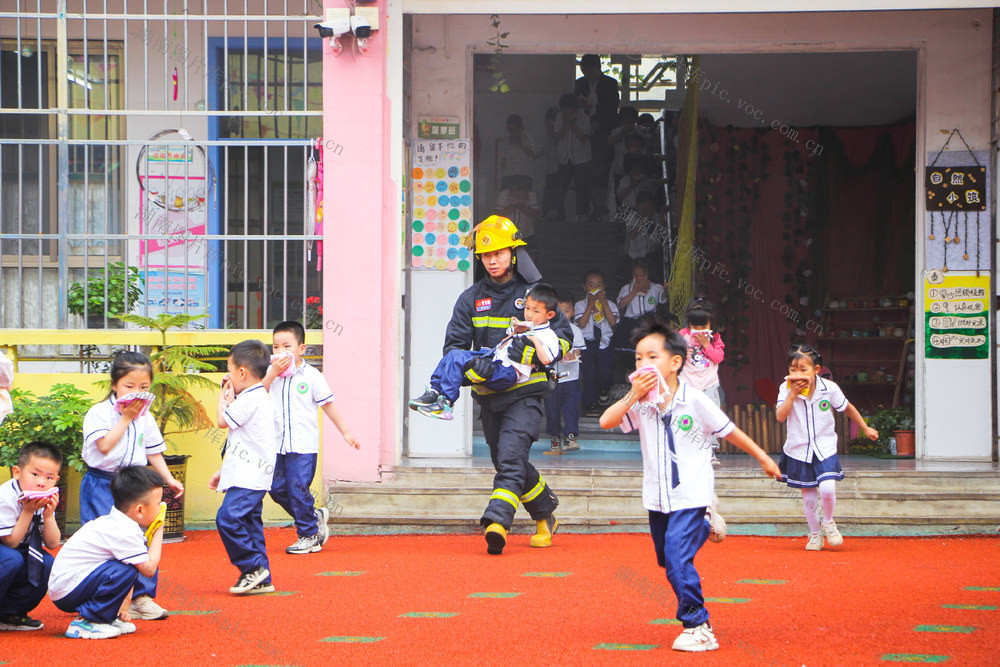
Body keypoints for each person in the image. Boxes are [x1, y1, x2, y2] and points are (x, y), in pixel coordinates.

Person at [599, 318, 780, 652]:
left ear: (675, 362)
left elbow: (729, 431)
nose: (643, 364)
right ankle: (708, 521)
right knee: (668, 562)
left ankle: (699, 625)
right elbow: (606, 421)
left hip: (691, 492)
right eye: (638, 358)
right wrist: (633, 395)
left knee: (678, 558)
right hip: (657, 496)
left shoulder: (694, 400)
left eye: (652, 357)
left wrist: (764, 458)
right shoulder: (641, 402)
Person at [437, 215, 571, 555]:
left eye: (498, 252)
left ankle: (497, 521)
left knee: (510, 460)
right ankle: (546, 514)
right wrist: (473, 367)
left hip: (526, 396)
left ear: (513, 253)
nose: (492, 260)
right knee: (507, 461)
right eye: (485, 255)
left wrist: (538, 352)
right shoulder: (469, 299)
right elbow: (453, 348)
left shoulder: (533, 295)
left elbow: (566, 336)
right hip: (490, 396)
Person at [80, 350, 182, 620]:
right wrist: (126, 418)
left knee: (142, 535)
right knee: (105, 540)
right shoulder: (99, 413)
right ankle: (100, 599)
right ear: (114, 384)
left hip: (136, 484)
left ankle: (142, 597)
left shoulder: (145, 417)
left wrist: (169, 479)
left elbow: (153, 451)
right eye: (129, 386)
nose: (136, 393)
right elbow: (103, 446)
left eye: (144, 387)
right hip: (102, 483)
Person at [262, 321, 360, 556]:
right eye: (275, 347)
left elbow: (328, 404)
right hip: (276, 445)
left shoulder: (312, 376)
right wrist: (272, 373)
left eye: (287, 346)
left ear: (301, 349)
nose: (280, 352)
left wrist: (345, 432)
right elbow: (257, 392)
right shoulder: (270, 373)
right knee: (276, 489)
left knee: (297, 488)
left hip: (303, 446)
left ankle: (309, 535)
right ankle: (312, 516)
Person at [775, 343, 878, 551]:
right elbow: (780, 416)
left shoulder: (829, 388)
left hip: (825, 447)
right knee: (809, 496)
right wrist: (792, 394)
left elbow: (847, 408)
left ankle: (828, 522)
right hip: (798, 449)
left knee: (828, 489)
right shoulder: (785, 389)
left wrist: (865, 428)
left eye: (803, 369)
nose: (797, 374)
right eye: (792, 370)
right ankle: (814, 535)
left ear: (816, 369)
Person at [410, 283, 562, 421]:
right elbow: (506, 342)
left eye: (536, 311)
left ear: (549, 315)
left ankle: (446, 403)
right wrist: (515, 330)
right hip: (494, 359)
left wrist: (534, 341)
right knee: (454, 355)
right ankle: (435, 391)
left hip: (508, 373)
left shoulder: (548, 335)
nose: (529, 314)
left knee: (465, 361)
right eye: (527, 308)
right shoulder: (526, 326)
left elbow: (546, 360)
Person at [48, 466, 165, 639]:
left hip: (69, 585)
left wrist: (123, 605)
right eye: (158, 504)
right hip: (68, 590)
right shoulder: (124, 531)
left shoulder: (118, 522)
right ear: (139, 510)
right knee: (126, 570)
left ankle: (105, 617)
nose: (162, 507)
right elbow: (148, 569)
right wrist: (159, 528)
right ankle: (88, 621)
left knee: (126, 568)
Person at [210, 339, 276, 594]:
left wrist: (222, 399)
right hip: (248, 474)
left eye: (229, 369)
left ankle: (252, 568)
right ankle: (262, 577)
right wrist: (223, 471)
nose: (227, 376)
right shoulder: (254, 396)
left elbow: (222, 422)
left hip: (250, 476)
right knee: (249, 524)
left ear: (241, 373)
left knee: (227, 518)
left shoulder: (251, 398)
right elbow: (240, 440)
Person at [0, 442, 62, 631]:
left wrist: (49, 516)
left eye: (49, 477)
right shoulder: (6, 496)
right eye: (35, 474)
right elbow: (10, 542)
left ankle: (11, 613)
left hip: (20, 549)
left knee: (47, 562)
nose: (41, 482)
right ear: (17, 472)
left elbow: (52, 543)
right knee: (12, 559)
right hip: (7, 548)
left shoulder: (43, 496)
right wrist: (27, 511)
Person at [679, 299, 726, 467]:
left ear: (710, 324)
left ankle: (709, 451)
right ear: (689, 324)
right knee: (688, 417)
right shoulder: (681, 336)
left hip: (709, 385)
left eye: (703, 327)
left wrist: (707, 345)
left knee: (709, 417)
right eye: (695, 327)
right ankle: (688, 450)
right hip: (688, 385)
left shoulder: (715, 338)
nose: (699, 331)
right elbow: (672, 358)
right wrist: (682, 352)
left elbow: (718, 358)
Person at [575, 53, 620, 219]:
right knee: (585, 169)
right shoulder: (579, 84)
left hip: (603, 133)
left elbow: (611, 109)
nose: (585, 73)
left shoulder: (610, 84)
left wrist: (598, 124)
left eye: (587, 70)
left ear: (595, 68)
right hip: (584, 133)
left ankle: (600, 205)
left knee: (600, 169)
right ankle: (587, 207)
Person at [543, 296, 586, 454]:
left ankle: (570, 437)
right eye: (559, 311)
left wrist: (571, 355)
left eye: (566, 311)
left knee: (571, 408)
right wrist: (559, 356)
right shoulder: (547, 331)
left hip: (571, 378)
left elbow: (577, 351)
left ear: (573, 312)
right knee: (552, 410)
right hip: (552, 377)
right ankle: (555, 438)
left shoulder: (576, 331)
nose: (563, 314)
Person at [575, 269, 618, 415]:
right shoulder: (580, 305)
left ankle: (604, 391)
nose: (595, 288)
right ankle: (590, 403)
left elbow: (613, 322)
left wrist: (603, 302)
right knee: (589, 374)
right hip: (586, 343)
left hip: (604, 342)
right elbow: (582, 323)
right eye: (591, 285)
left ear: (604, 286)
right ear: (585, 287)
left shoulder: (610, 304)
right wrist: (590, 305)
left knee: (605, 371)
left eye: (598, 285)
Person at [545, 93, 592, 222]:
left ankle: (582, 214)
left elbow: (583, 138)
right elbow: (556, 138)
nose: (566, 115)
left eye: (570, 112)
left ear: (576, 110)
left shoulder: (584, 118)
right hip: (564, 158)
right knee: (560, 186)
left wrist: (572, 125)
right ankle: (555, 210)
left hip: (582, 158)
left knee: (582, 188)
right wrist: (566, 124)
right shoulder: (559, 117)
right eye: (564, 112)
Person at [613, 259, 665, 354]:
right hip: (631, 324)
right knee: (632, 352)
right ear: (632, 276)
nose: (640, 278)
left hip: (650, 323)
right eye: (637, 275)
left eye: (643, 275)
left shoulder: (656, 288)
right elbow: (621, 305)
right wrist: (635, 291)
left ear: (648, 275)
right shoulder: (626, 288)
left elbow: (663, 298)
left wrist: (666, 290)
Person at [495, 175, 540, 246]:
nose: (519, 197)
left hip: (526, 234)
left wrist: (522, 207)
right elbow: (498, 215)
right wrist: (514, 206)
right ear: (513, 190)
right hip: (505, 234)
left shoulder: (531, 195)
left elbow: (536, 214)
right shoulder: (503, 195)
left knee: (532, 254)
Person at [497, 113, 536, 190]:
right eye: (510, 131)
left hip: (524, 177)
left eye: (515, 130)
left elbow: (531, 154)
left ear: (521, 129)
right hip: (508, 176)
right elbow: (502, 163)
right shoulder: (505, 142)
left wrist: (520, 144)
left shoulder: (528, 140)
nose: (513, 133)